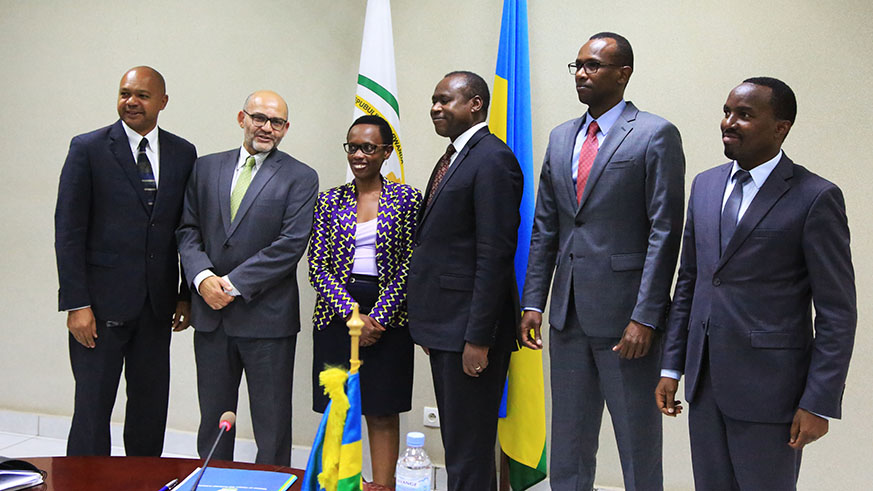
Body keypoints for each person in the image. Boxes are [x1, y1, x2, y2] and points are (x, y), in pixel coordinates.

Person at [656, 77, 857, 490]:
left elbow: (837, 312)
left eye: (744, 115)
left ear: (781, 127)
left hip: (772, 393)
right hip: (706, 384)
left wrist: (819, 401)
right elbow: (691, 282)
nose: (729, 122)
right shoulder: (706, 185)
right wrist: (672, 366)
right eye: (727, 112)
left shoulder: (815, 197)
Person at [518, 32, 685, 490]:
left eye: (593, 65)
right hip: (568, 316)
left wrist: (646, 317)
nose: (583, 74)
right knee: (569, 443)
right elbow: (546, 227)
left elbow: (665, 231)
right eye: (577, 66)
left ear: (623, 73)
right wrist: (534, 300)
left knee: (637, 443)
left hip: (626, 323)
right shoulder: (560, 137)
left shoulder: (655, 134)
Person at [54, 66, 196, 456]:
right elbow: (68, 231)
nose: (131, 101)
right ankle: (83, 484)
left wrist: (185, 294)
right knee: (92, 410)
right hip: (98, 309)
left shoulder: (184, 153)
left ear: (163, 102)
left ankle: (142, 480)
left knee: (150, 409)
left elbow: (188, 229)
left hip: (157, 307)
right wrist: (76, 303)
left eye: (142, 95)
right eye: (124, 93)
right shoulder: (88, 148)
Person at [176, 90, 318, 466]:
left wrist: (232, 285)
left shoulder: (301, 177)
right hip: (211, 317)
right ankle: (212, 483)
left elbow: (290, 246)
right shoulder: (205, 168)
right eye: (259, 118)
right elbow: (187, 230)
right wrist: (204, 278)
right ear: (242, 119)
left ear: (286, 129)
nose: (266, 127)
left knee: (271, 425)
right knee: (214, 421)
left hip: (267, 320)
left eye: (276, 122)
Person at [407, 71, 523, 491]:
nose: (435, 108)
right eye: (433, 100)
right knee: (458, 446)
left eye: (445, 100)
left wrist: (479, 339)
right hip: (445, 326)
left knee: (470, 452)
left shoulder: (493, 158)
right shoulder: (454, 156)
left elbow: (494, 255)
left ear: (476, 104)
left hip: (468, 332)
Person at [308, 115, 421, 488]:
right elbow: (317, 266)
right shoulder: (329, 200)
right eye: (353, 147)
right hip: (337, 314)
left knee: (382, 409)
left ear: (386, 152)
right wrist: (353, 315)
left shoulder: (406, 199)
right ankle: (340, 483)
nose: (359, 154)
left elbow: (411, 264)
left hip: (389, 315)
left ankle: (383, 485)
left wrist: (380, 316)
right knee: (338, 409)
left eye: (368, 148)